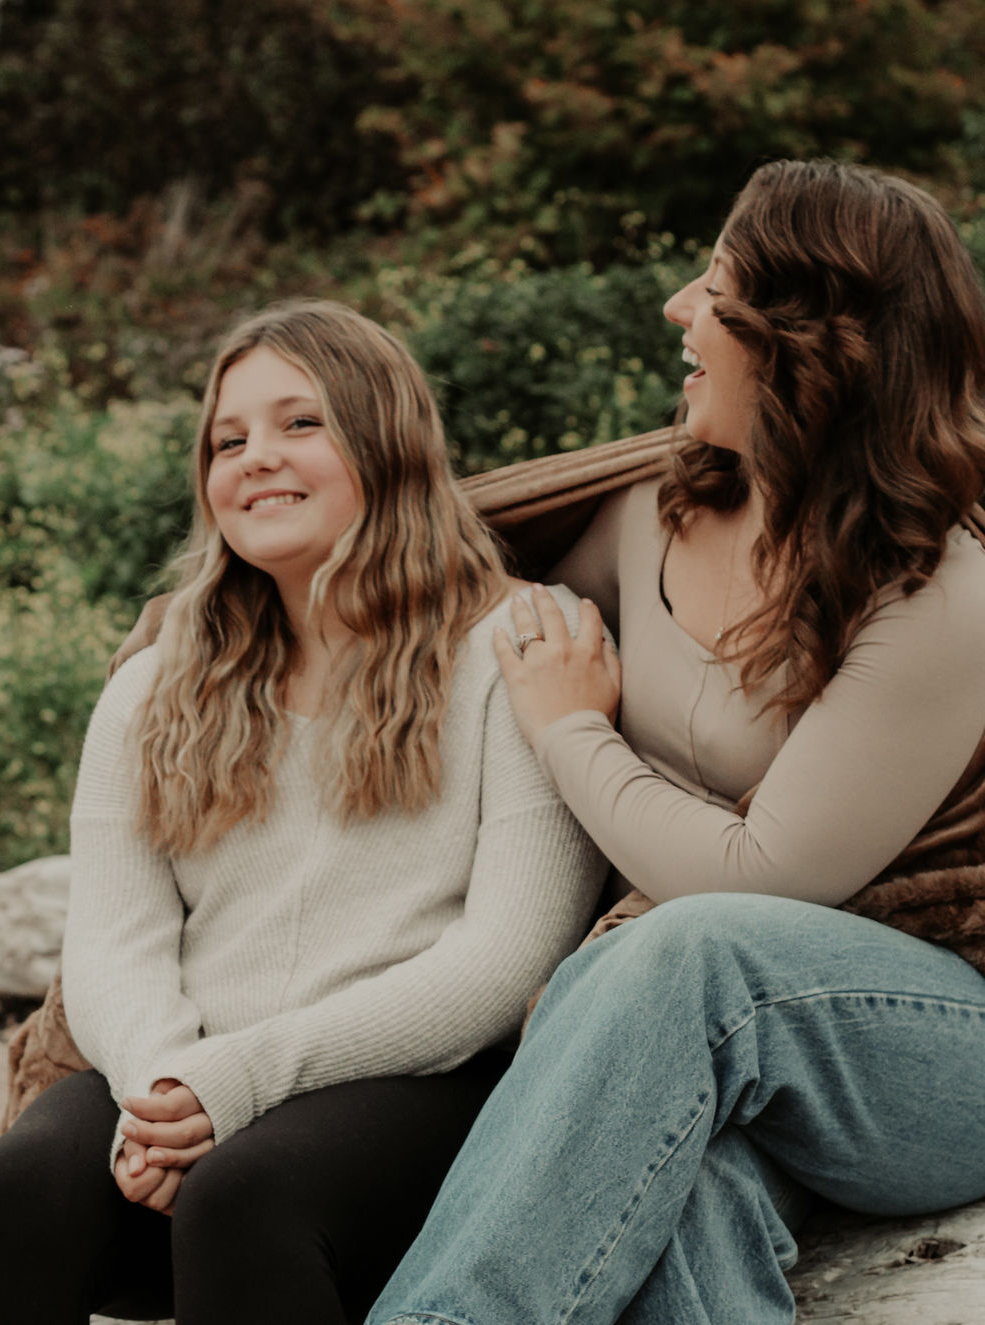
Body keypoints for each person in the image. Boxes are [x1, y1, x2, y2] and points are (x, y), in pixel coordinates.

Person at [365, 159, 985, 1325]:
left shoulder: (938, 585)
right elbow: (446, 623)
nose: (676, 308)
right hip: (730, 1042)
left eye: (715, 283)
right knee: (673, 1191)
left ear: (810, 335)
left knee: (688, 956)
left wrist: (571, 729)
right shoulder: (652, 509)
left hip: (940, 1038)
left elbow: (766, 880)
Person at [0, 299, 606, 1324]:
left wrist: (240, 1079)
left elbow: (504, 959)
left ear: (385, 440)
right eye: (228, 439)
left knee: (245, 1191)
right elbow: (113, 945)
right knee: (18, 1180)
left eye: (299, 423)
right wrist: (165, 1087)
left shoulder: (518, 649)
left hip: (418, 1083)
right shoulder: (154, 683)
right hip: (186, 1075)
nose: (255, 456)